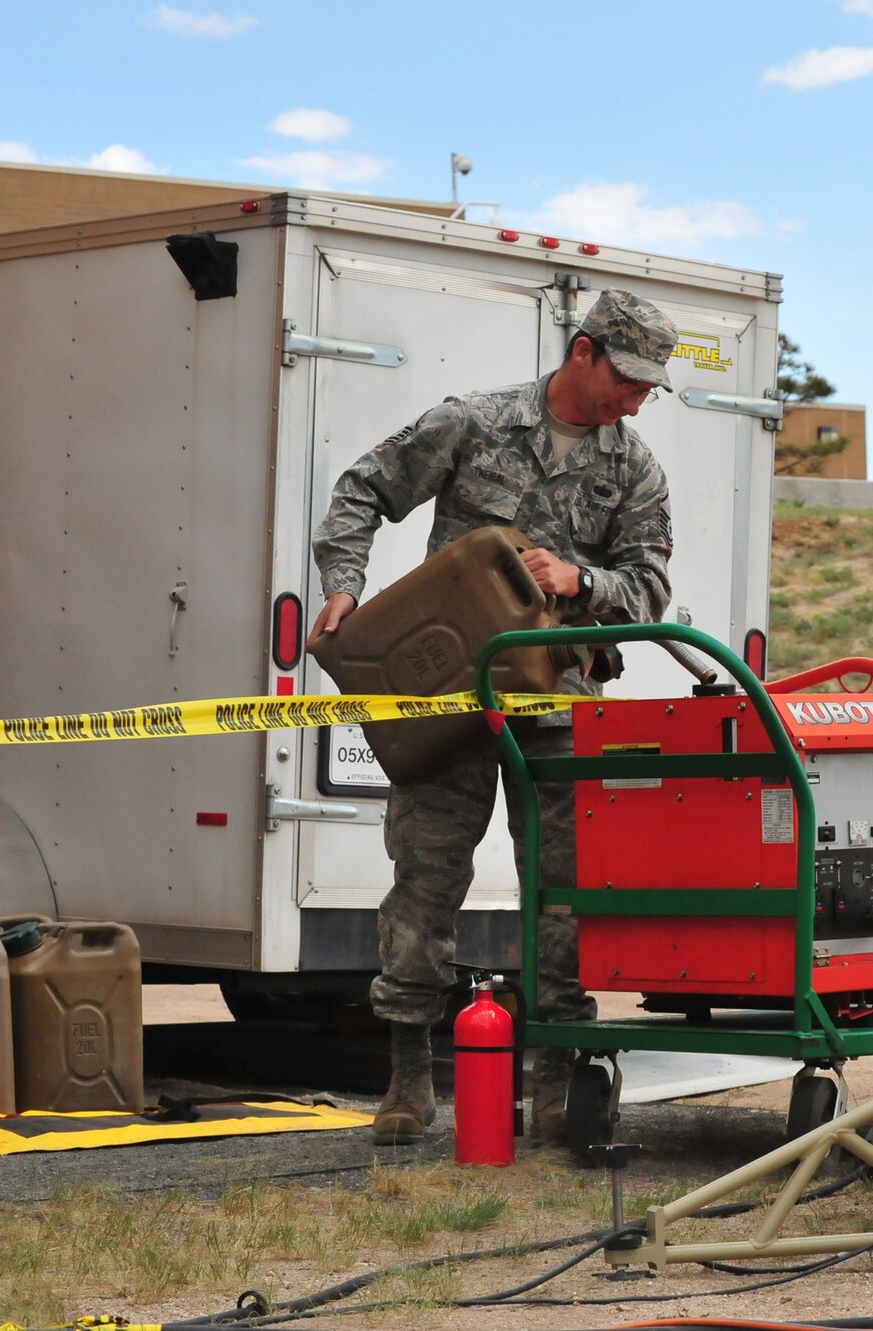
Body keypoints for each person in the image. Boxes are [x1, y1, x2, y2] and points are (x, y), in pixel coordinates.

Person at [310, 289, 679, 1145]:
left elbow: (651, 586)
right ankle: (407, 1076)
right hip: (450, 702)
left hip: (558, 707)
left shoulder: (634, 469)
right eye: (628, 377)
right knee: (425, 881)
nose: (638, 397)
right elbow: (363, 489)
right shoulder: (473, 423)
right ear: (583, 352)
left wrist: (580, 582)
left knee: (564, 896)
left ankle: (553, 1080)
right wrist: (344, 584)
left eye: (649, 386)